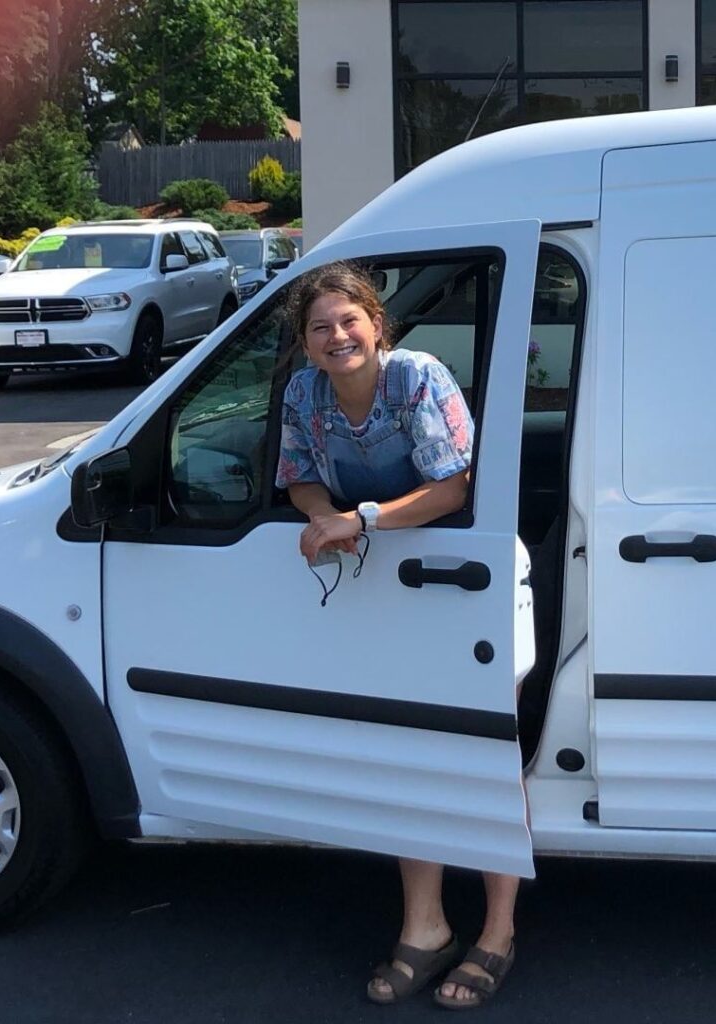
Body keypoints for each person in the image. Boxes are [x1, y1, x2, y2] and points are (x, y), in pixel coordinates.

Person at [276, 262, 519, 1009]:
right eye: (320, 327)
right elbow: (298, 475)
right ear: (308, 346)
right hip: (391, 592)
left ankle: (498, 932)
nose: (336, 336)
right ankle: (426, 927)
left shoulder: (417, 377)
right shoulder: (305, 392)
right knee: (412, 756)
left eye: (349, 321)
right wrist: (323, 516)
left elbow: (456, 486)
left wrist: (361, 521)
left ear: (377, 325)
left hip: (461, 583)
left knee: (479, 759)